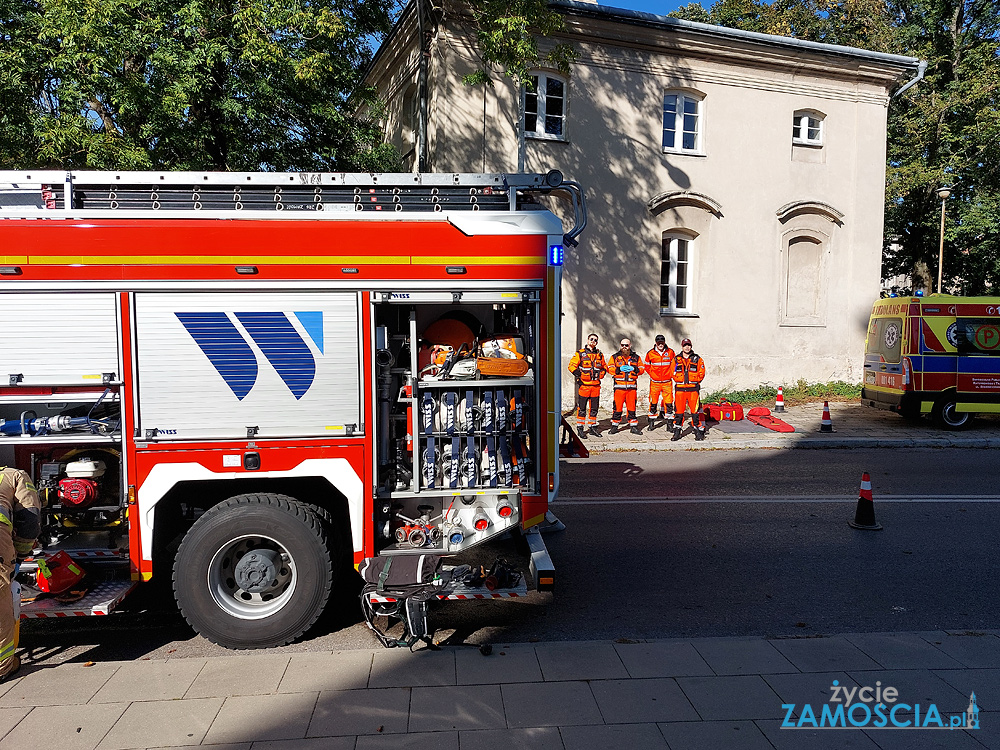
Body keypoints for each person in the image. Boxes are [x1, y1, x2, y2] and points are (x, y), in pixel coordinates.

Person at [0, 466, 41, 682]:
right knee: (1, 610)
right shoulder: (13, 476)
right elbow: (29, 520)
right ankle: (2, 668)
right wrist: (21, 555)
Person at [567, 333, 607, 438]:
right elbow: (571, 366)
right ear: (588, 340)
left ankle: (592, 427)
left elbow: (604, 367)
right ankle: (580, 428)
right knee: (582, 409)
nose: (593, 341)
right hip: (584, 386)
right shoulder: (580, 353)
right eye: (591, 339)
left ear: (597, 342)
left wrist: (601, 374)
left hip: (596, 387)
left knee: (594, 409)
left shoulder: (600, 354)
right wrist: (579, 374)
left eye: (595, 340)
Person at [671, 338, 706, 441]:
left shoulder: (697, 359)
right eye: (685, 345)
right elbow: (671, 372)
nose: (687, 347)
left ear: (691, 346)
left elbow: (702, 372)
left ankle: (697, 431)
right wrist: (678, 379)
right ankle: (677, 432)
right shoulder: (676, 359)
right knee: (678, 412)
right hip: (680, 390)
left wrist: (695, 381)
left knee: (695, 412)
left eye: (688, 345)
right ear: (682, 347)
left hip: (693, 390)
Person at [609, 337, 645, 435]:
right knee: (617, 408)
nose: (624, 347)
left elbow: (642, 369)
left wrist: (634, 368)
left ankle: (633, 427)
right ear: (620, 346)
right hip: (619, 388)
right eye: (622, 345)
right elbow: (610, 368)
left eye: (626, 345)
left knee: (632, 408)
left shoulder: (636, 357)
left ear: (630, 346)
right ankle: (614, 426)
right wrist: (618, 369)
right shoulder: (615, 357)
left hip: (631, 388)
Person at [644, 334, 676, 431]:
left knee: (669, 403)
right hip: (655, 383)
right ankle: (651, 423)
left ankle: (669, 424)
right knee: (653, 403)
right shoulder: (650, 353)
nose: (660, 344)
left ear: (664, 342)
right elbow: (646, 366)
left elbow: (675, 364)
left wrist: (671, 374)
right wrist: (653, 375)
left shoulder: (670, 352)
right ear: (656, 343)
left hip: (667, 382)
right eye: (659, 342)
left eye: (662, 342)